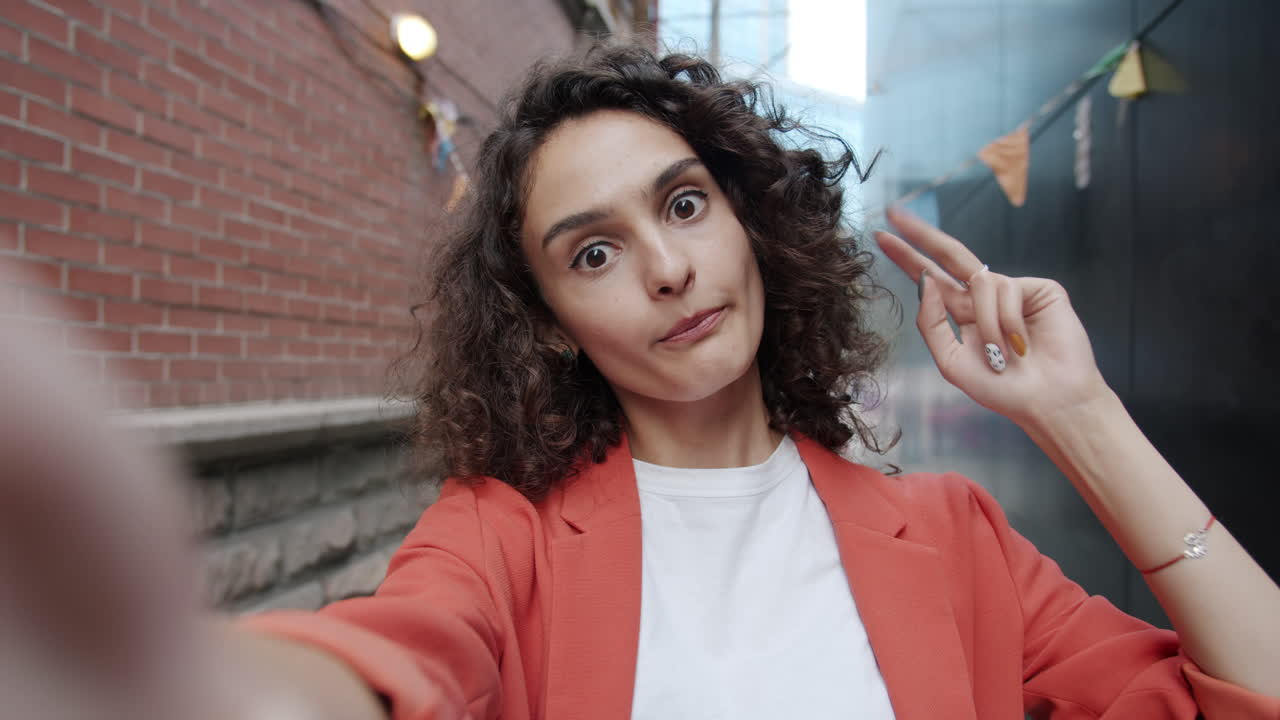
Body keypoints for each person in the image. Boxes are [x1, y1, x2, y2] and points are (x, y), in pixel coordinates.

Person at [1, 42, 1277, 720]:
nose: (667, 268)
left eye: (683, 203)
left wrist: (1077, 411)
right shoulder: (501, 537)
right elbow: (381, 658)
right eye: (594, 251)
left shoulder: (950, 539)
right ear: (550, 322)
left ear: (748, 225)